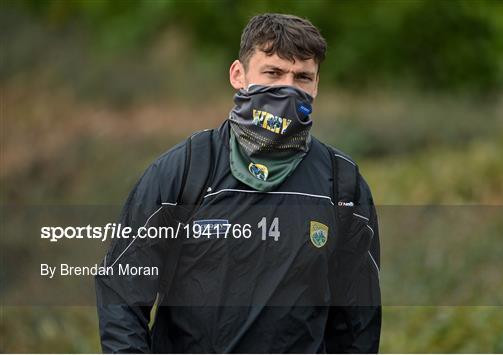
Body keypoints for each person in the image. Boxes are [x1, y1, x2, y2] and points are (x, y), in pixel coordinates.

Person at [96, 13, 381, 353]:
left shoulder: (342, 184)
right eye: (273, 72)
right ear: (238, 74)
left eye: (302, 77)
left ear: (316, 85)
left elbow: (356, 324)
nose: (287, 89)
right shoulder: (185, 169)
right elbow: (122, 292)